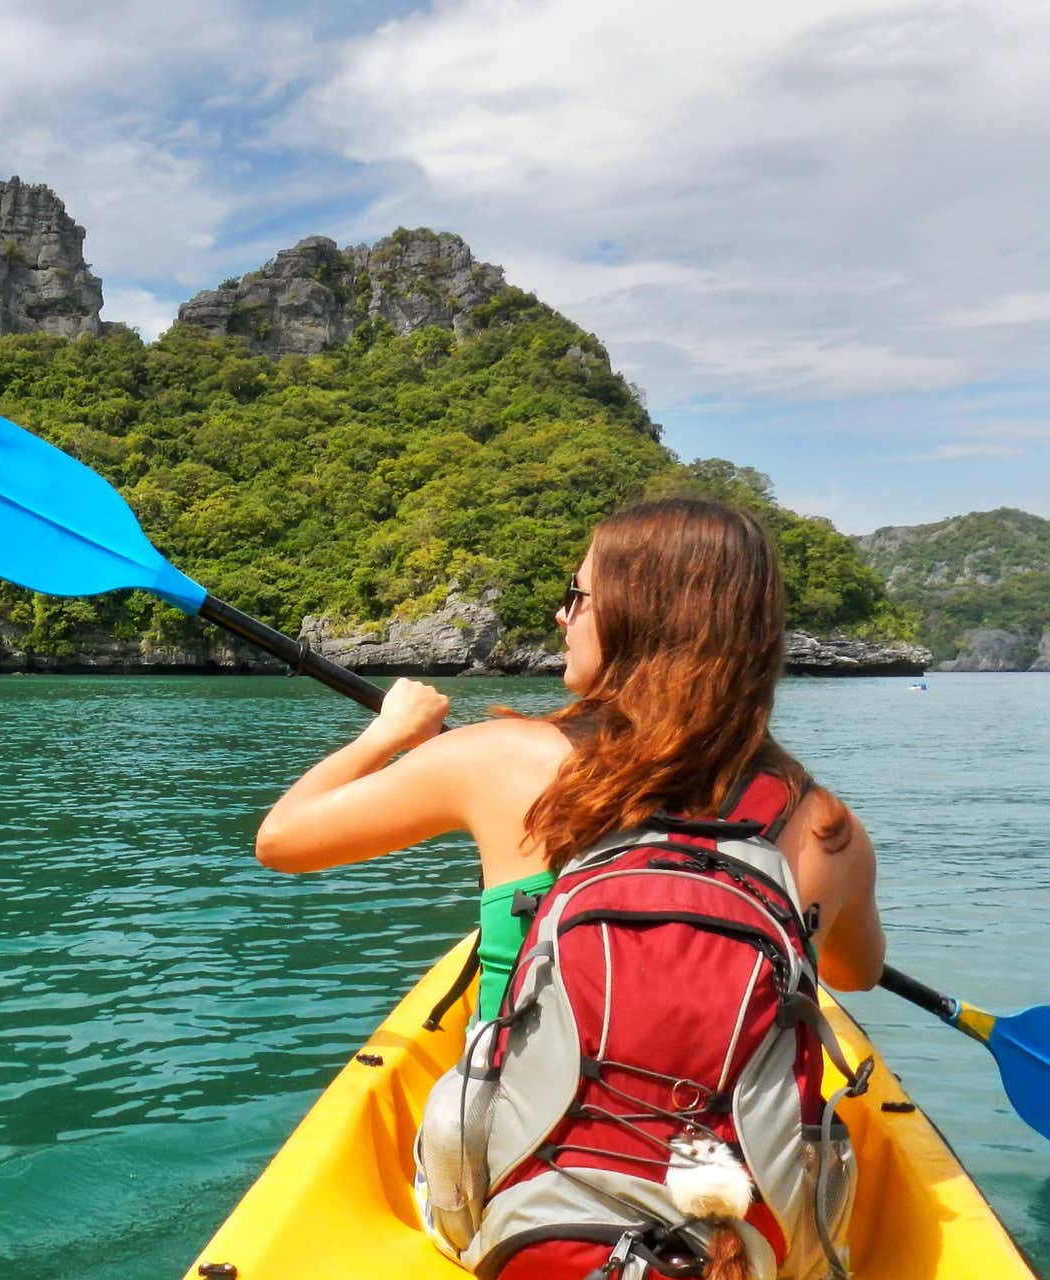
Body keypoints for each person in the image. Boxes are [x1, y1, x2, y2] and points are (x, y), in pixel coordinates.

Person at [255, 497, 885, 1280]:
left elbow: (281, 841)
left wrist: (390, 731)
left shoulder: (497, 761)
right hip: (751, 1237)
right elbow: (851, 975)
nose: (561, 615)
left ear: (632, 616)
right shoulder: (827, 828)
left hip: (521, 1213)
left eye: (577, 595)